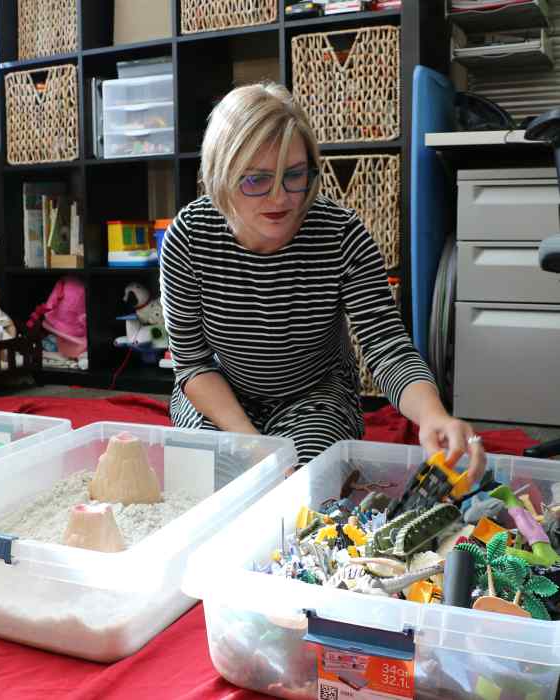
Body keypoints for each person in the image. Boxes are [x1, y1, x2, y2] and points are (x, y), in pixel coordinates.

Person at [159, 82, 486, 479]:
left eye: (294, 176)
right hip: (221, 393)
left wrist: (433, 415)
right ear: (220, 176)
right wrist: (251, 444)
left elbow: (385, 345)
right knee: (208, 479)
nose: (280, 198)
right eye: (256, 180)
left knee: (307, 483)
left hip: (315, 394)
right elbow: (192, 365)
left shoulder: (340, 233)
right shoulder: (189, 237)